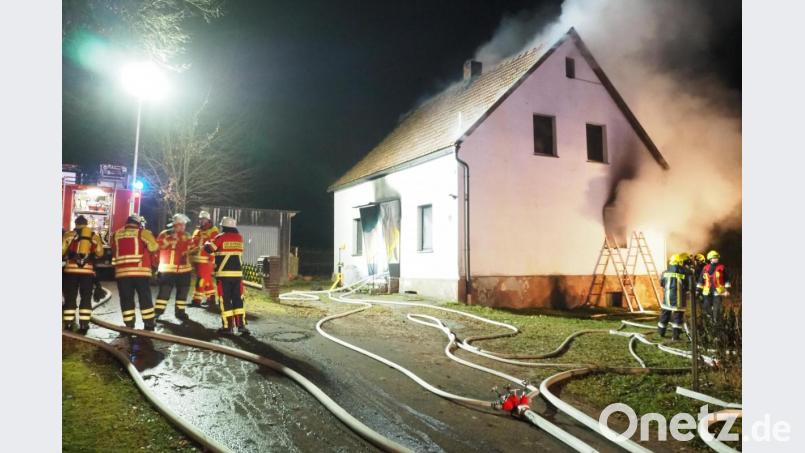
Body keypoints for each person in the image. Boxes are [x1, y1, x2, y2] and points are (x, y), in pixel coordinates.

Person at [111, 215, 159, 329]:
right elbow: (153, 247)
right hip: (140, 272)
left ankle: (129, 323)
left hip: (122, 273)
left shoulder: (116, 234)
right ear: (138, 223)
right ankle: (148, 322)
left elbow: (113, 249)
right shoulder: (142, 232)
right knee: (144, 297)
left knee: (126, 298)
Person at [205, 216, 249, 335]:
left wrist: (207, 241)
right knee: (238, 299)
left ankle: (228, 327)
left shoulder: (220, 237)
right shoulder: (239, 238)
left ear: (223, 226)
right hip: (238, 275)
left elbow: (209, 249)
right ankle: (241, 326)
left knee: (225, 300)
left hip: (224, 275)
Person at [62, 216, 104, 333]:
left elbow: (61, 251)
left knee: (70, 297)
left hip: (70, 271)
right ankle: (84, 324)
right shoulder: (94, 236)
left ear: (75, 224)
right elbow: (100, 253)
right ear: (86, 224)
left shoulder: (68, 235)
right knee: (86, 297)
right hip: (87, 272)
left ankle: (69, 323)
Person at [155, 214, 193, 320]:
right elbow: (158, 246)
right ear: (175, 225)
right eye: (181, 225)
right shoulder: (165, 234)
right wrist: (171, 238)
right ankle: (158, 311)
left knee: (183, 292)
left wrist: (195, 248)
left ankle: (180, 312)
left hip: (185, 270)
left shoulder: (187, 235)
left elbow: (191, 247)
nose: (183, 227)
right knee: (164, 292)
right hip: (167, 270)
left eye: (184, 225)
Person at [658, 253, 693, 341]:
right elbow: (689, 286)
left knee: (664, 316)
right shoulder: (685, 272)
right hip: (678, 300)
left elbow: (662, 283)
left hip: (667, 299)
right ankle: (675, 336)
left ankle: (661, 333)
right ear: (679, 262)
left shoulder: (665, 272)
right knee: (677, 318)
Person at [190, 211, 219, 307]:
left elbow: (214, 244)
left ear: (208, 220)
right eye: (201, 219)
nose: (202, 221)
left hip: (207, 261)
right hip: (197, 261)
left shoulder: (214, 231)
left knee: (201, 280)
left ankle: (196, 300)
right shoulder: (197, 231)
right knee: (207, 280)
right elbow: (192, 243)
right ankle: (211, 299)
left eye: (204, 219)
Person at [698, 250, 730, 320]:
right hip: (707, 292)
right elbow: (701, 280)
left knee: (717, 307)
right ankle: (709, 320)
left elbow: (727, 279)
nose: (716, 259)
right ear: (710, 259)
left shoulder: (722, 268)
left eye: (717, 257)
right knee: (706, 307)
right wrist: (698, 290)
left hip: (718, 291)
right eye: (714, 258)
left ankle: (716, 322)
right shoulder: (705, 268)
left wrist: (727, 290)